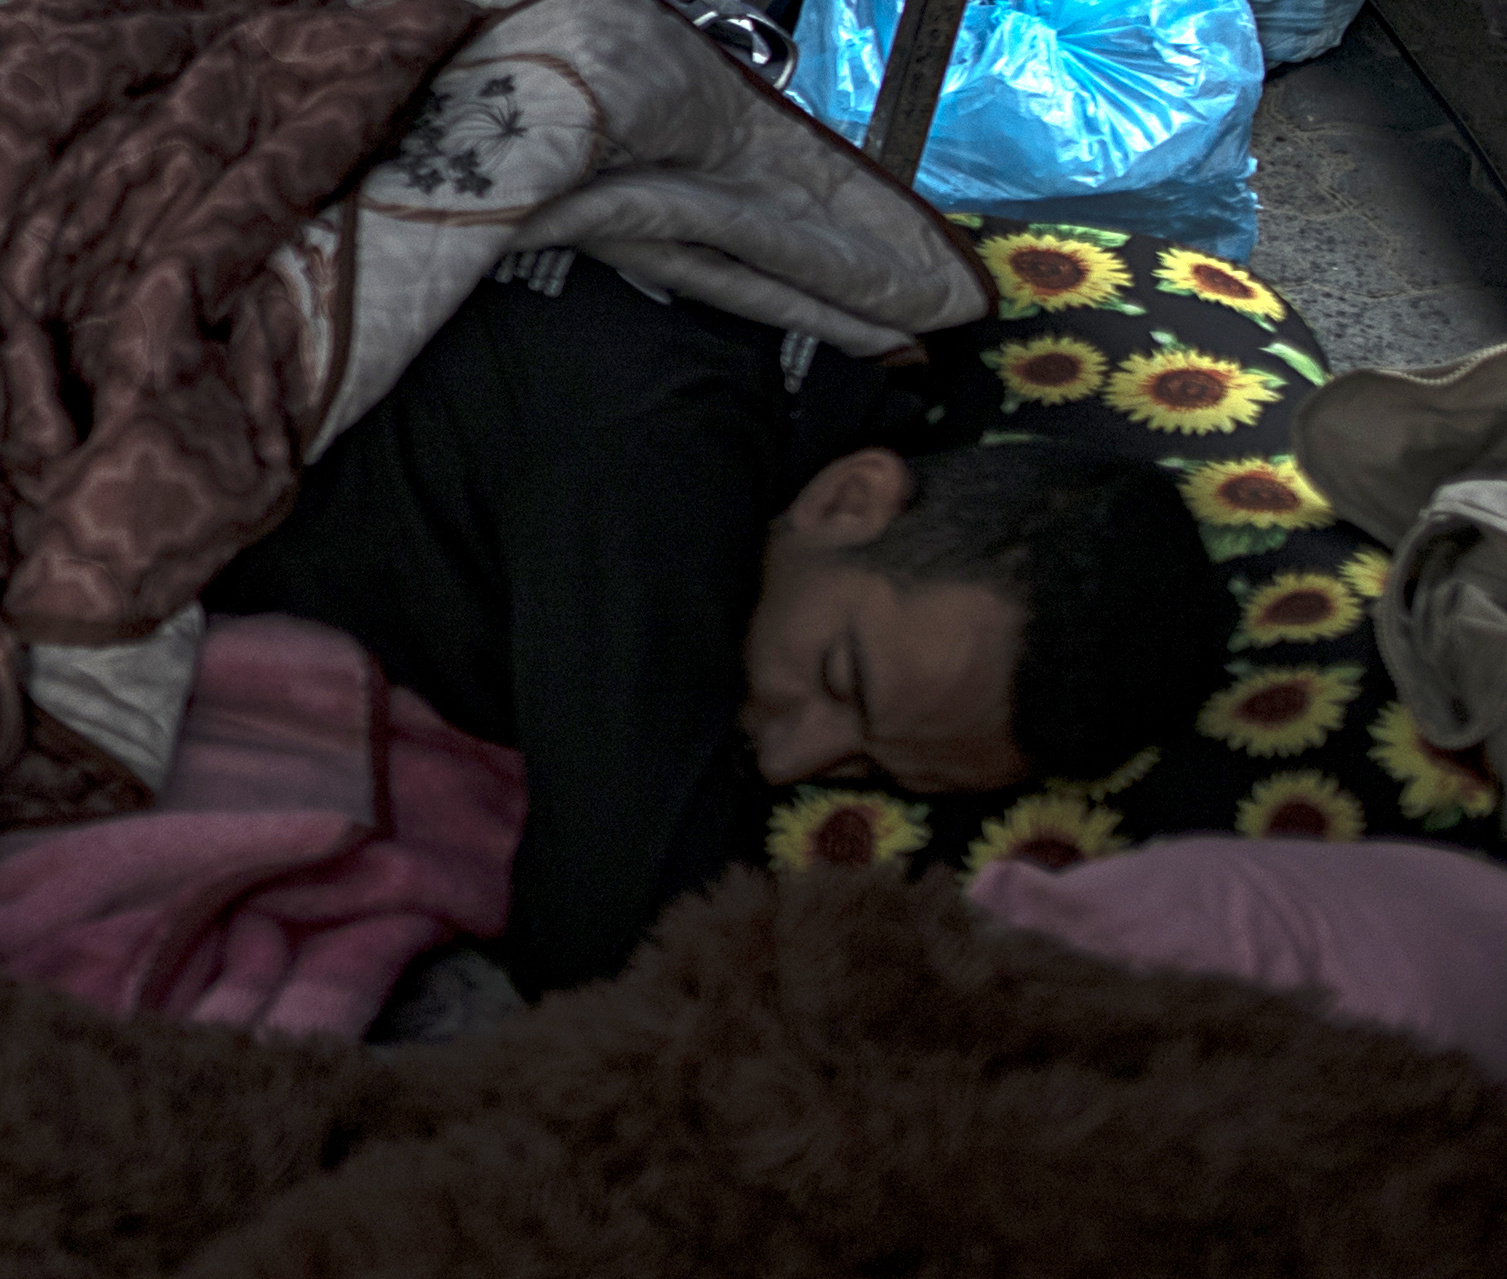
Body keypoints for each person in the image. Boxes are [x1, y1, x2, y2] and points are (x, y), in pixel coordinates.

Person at [204, 259, 1234, 992]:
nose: (790, 757)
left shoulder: (819, 397)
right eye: (843, 680)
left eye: (868, 772)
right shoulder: (658, 456)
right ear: (849, 500)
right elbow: (606, 938)